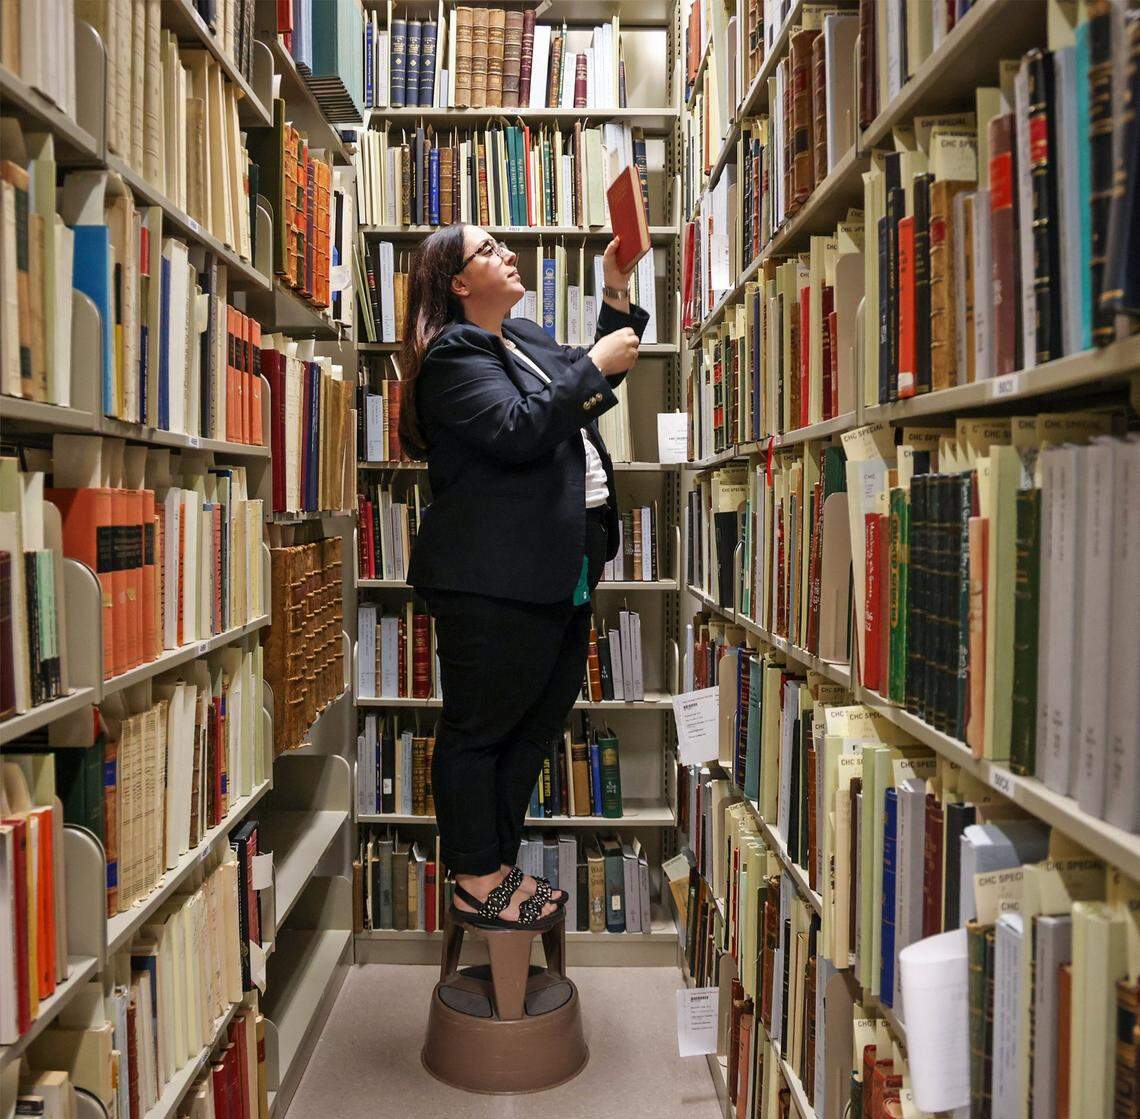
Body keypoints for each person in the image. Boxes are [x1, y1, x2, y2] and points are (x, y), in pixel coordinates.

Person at [399, 223, 648, 929]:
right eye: (488, 251)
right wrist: (593, 369)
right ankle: (477, 873)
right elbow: (517, 426)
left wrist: (617, 287)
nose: (509, 254)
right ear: (455, 282)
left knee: (533, 727)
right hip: (492, 581)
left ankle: (496, 862)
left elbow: (596, 372)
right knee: (479, 730)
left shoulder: (527, 335)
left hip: (560, 569)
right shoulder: (453, 354)